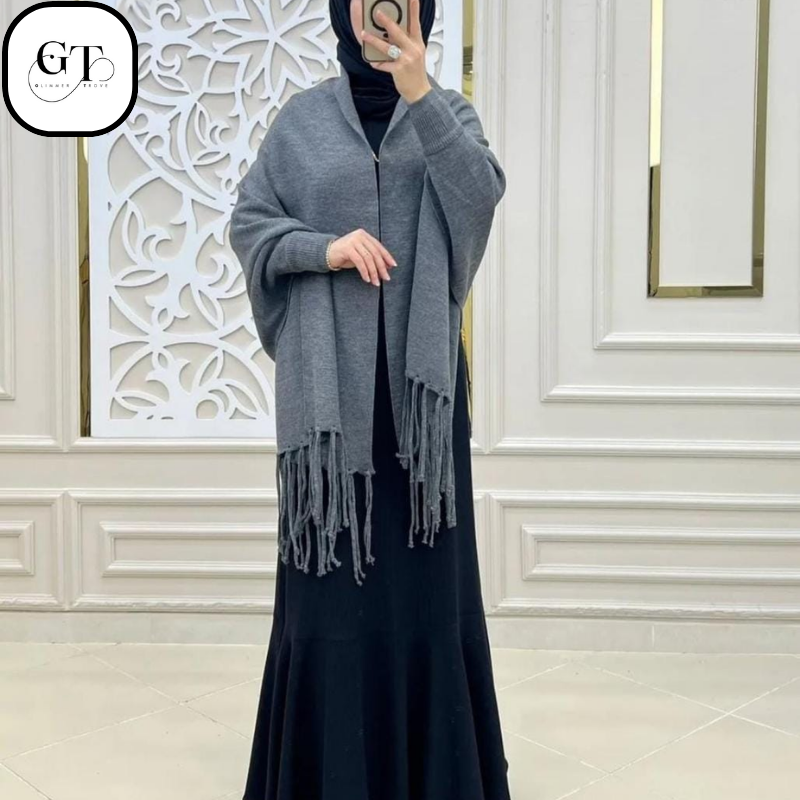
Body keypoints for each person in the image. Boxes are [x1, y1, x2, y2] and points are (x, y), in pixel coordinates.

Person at [229, 1, 510, 797]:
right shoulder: (302, 121)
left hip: (421, 409)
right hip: (330, 411)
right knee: (331, 593)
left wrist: (421, 91)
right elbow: (251, 226)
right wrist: (324, 248)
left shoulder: (448, 113)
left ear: (420, 13)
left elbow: (479, 199)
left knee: (428, 594)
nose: (378, 15)